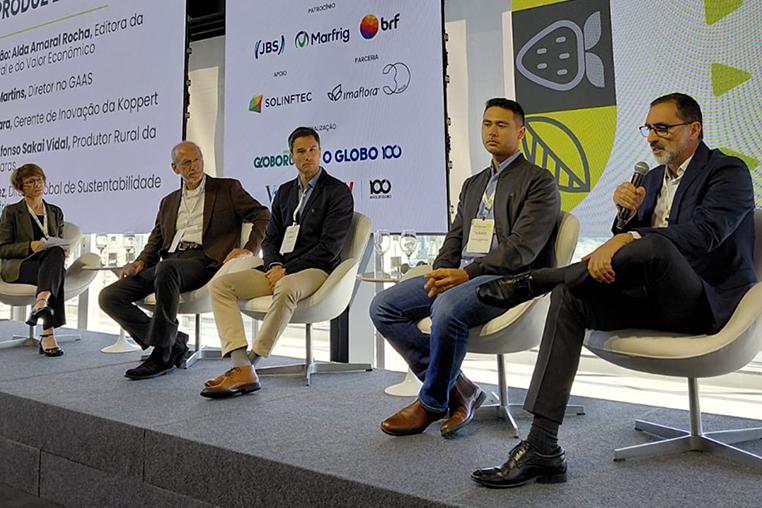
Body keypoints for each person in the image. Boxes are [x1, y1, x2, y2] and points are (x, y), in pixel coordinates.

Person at [472, 93, 756, 488]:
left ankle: (539, 280)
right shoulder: (651, 179)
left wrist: (630, 236)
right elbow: (627, 253)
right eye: (648, 129)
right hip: (650, 297)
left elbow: (704, 235)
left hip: (703, 304)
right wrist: (625, 220)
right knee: (570, 297)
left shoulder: (728, 171)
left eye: (662, 128)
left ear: (694, 129)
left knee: (655, 246)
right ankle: (542, 446)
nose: (652, 137)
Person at [369, 98, 561, 437]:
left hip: (508, 280)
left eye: (501, 125)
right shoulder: (473, 184)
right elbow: (456, 236)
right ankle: (460, 388)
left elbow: (521, 249)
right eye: (487, 124)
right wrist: (441, 271)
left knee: (446, 307)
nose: (492, 131)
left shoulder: (539, 181)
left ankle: (431, 402)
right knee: (383, 306)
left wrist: (465, 275)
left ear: (521, 133)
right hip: (463, 276)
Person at [200, 126, 353, 398]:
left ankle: (250, 364)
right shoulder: (284, 192)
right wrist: (273, 266)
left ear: (320, 152)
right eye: (301, 151)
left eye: (312, 150)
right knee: (221, 286)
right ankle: (239, 363)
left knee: (286, 287)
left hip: (316, 270)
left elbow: (329, 248)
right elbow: (270, 239)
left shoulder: (338, 192)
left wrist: (287, 270)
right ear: (291, 156)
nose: (307, 156)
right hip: (278, 269)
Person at [99, 141, 270, 380]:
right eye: (187, 162)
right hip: (169, 263)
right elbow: (156, 240)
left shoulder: (227, 188)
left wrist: (249, 249)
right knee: (109, 296)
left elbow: (262, 214)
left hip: (204, 261)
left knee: (167, 268)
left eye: (197, 159)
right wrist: (141, 260)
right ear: (175, 168)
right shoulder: (168, 202)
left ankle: (162, 354)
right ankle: (174, 340)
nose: (195, 166)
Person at [0, 164, 70, 356]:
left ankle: (41, 304)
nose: (37, 184)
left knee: (55, 255)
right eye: (30, 182)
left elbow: (59, 240)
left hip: (48, 265)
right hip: (22, 267)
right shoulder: (12, 212)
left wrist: (64, 250)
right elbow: (2, 248)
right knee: (56, 273)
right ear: (20, 188)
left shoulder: (55, 211)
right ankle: (47, 332)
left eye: (39, 179)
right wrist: (30, 246)